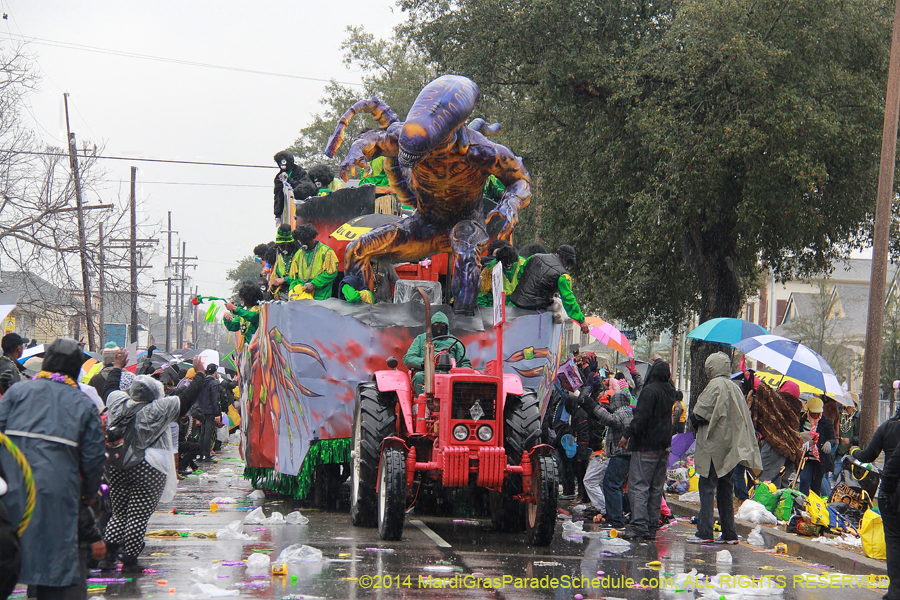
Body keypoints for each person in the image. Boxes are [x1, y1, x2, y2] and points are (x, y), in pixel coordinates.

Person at [0, 337, 106, 599]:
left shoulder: (16, 392)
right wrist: (90, 494)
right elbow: (93, 457)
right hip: (59, 497)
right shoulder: (83, 404)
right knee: (59, 568)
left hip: (12, 494)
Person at [100, 351, 206, 572]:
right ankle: (129, 559)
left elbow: (109, 389)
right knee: (138, 514)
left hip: (118, 463)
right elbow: (185, 400)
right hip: (148, 467)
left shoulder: (119, 403)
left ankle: (108, 556)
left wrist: (118, 367)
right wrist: (200, 374)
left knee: (119, 512)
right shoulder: (159, 409)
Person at [688, 352, 761, 544]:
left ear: (711, 367)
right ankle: (729, 533)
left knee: (706, 488)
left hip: (713, 447)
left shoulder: (714, 386)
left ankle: (705, 532)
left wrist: (693, 420)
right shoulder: (735, 388)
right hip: (730, 449)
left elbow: (699, 415)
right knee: (725, 490)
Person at [619, 359, 676, 541]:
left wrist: (626, 435)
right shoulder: (670, 391)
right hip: (664, 446)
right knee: (656, 488)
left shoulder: (650, 392)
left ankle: (638, 525)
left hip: (646, 445)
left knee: (639, 486)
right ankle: (652, 525)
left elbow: (641, 417)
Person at [584, 377, 633, 529]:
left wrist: (594, 407)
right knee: (614, 485)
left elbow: (611, 420)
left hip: (620, 455)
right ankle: (617, 516)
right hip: (622, 455)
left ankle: (616, 520)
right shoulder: (628, 412)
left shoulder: (623, 413)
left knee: (611, 485)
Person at [509, 245, 590, 334]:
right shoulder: (563, 275)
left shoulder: (535, 257)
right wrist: (581, 320)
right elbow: (568, 299)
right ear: (566, 260)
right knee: (557, 306)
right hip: (536, 310)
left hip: (516, 302)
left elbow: (520, 274)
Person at [402, 311, 471, 395]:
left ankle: (456, 404)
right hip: (427, 372)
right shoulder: (421, 339)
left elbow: (465, 362)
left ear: (447, 327)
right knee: (418, 377)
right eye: (436, 325)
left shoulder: (454, 342)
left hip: (450, 374)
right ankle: (421, 402)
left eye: (442, 326)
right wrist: (425, 363)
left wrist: (462, 372)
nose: (439, 328)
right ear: (431, 327)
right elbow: (408, 358)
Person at [797, 395, 835, 496]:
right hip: (805, 457)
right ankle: (803, 503)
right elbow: (796, 433)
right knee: (804, 480)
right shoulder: (801, 419)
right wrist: (800, 436)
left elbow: (833, 439)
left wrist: (829, 443)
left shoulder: (827, 422)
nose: (816, 415)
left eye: (817, 412)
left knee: (816, 485)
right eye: (813, 412)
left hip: (820, 460)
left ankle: (815, 506)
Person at [288, 224, 339, 300]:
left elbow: (331, 273)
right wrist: (292, 290)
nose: (301, 244)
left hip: (320, 298)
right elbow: (293, 277)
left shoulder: (326, 252)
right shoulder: (298, 254)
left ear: (310, 239)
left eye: (303, 241)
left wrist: (314, 284)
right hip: (301, 298)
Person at [273, 151, 316, 226]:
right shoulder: (279, 177)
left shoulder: (300, 172)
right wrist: (277, 214)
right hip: (288, 210)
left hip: (302, 206)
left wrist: (290, 181)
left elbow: (306, 187)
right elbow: (278, 196)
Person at [477, 242, 525, 306]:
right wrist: (485, 310)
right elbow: (483, 293)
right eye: (505, 264)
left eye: (510, 264)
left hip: (519, 306)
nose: (508, 266)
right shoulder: (491, 268)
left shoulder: (523, 264)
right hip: (496, 307)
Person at [223, 281, 263, 349]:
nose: (240, 299)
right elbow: (233, 326)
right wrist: (226, 317)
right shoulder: (245, 311)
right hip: (247, 350)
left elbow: (251, 316)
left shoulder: (258, 310)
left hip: (258, 349)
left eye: (242, 297)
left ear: (249, 298)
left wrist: (235, 308)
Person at [197, 364, 222, 462]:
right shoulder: (213, 383)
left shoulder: (202, 382)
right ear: (215, 372)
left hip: (202, 411)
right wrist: (217, 414)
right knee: (208, 433)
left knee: (202, 433)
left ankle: (200, 454)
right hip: (211, 412)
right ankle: (207, 455)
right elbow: (215, 400)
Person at [267, 225, 299, 300]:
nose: (282, 248)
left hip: (297, 294)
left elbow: (302, 278)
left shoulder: (298, 255)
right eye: (280, 246)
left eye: (284, 246)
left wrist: (284, 280)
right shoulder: (280, 257)